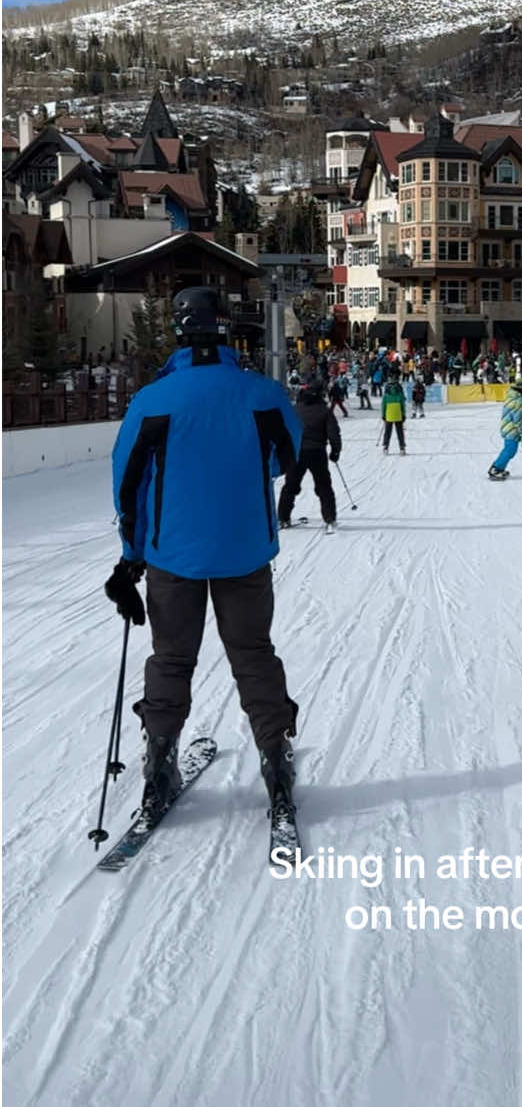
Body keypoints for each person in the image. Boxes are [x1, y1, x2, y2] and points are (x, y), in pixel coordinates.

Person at [108, 286, 302, 828]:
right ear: (226, 329)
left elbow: (127, 484)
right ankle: (275, 761)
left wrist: (131, 556)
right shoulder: (262, 392)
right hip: (244, 551)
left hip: (172, 556)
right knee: (254, 655)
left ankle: (160, 764)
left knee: (171, 659)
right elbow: (283, 459)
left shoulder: (153, 399)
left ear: (177, 331)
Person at [278, 377, 342, 532]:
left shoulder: (294, 410)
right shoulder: (324, 411)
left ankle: (283, 517)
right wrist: (335, 451)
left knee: (291, 484)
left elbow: (284, 430)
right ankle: (329, 518)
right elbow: (333, 433)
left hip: (297, 452)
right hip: (317, 452)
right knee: (323, 485)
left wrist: (283, 451)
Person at [488, 377, 522, 479]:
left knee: (508, 449)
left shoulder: (510, 397)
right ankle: (495, 469)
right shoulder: (519, 401)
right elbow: (519, 420)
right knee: (510, 450)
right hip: (512, 430)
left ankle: (500, 468)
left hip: (506, 427)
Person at [381, 374, 407, 453]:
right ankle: (402, 447)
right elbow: (403, 405)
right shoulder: (400, 394)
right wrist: (403, 414)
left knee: (387, 432)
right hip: (398, 414)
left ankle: (386, 446)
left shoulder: (386, 395)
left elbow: (383, 406)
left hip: (389, 415)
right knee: (400, 432)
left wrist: (383, 415)